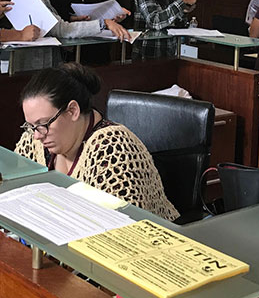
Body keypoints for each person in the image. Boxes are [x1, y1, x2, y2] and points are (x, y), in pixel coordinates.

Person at [14, 63, 179, 220]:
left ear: (72, 111)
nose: (36, 135)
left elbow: (122, 227)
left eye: (43, 124)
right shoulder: (34, 139)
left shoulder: (113, 148)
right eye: (31, 126)